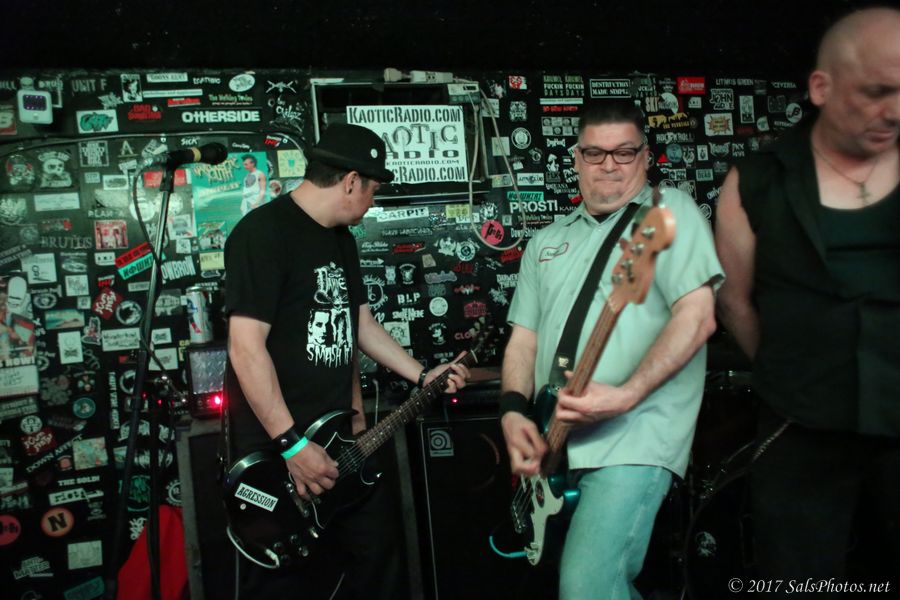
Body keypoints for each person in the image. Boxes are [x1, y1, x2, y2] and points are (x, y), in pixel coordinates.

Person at [223, 123, 469, 599]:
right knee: (287, 584)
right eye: (373, 189)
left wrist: (422, 374)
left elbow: (359, 324)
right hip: (279, 454)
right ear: (352, 181)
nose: (373, 202)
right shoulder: (262, 233)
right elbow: (245, 347)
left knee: (377, 560)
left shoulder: (340, 239)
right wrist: (292, 446)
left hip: (340, 443)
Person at [499, 100, 722, 599]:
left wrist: (626, 395)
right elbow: (524, 339)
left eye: (624, 152)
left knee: (587, 588)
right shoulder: (545, 243)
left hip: (634, 436)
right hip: (554, 444)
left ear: (645, 156)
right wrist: (512, 411)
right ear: (576, 158)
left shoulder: (667, 212)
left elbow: (697, 315)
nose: (609, 166)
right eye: (595, 153)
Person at [715, 7, 900, 591]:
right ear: (821, 87)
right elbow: (733, 301)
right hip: (798, 427)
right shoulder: (754, 180)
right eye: (876, 92)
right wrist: (789, 374)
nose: (894, 111)